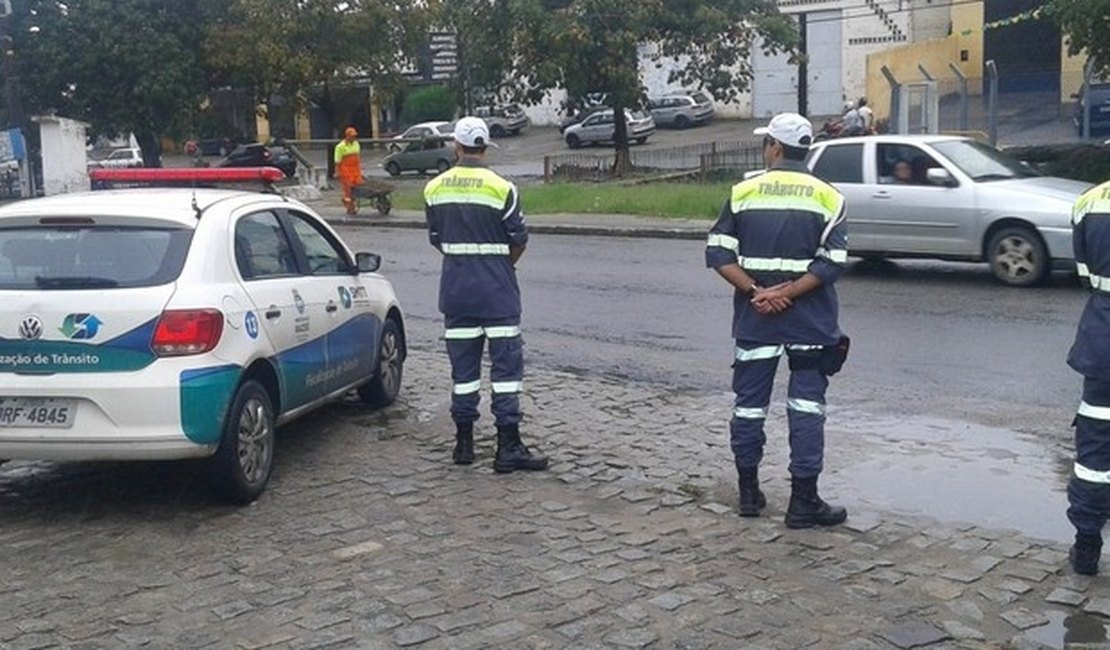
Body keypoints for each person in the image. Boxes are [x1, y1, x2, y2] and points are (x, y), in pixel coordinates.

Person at [705, 112, 850, 528]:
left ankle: (749, 494)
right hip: (811, 323)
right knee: (806, 407)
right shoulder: (829, 197)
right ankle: (803, 502)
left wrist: (757, 293)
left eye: (766, 141)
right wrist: (786, 293)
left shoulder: (743, 192)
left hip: (756, 321)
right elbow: (832, 264)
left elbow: (718, 253)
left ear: (775, 147)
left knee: (749, 407)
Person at [424, 116, 548, 474]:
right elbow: (519, 239)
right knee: (506, 372)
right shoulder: (502, 188)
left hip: (456, 294)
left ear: (456, 147)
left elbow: (437, 240)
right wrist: (500, 265)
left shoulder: (434, 189)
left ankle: (463, 445)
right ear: (485, 147)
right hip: (498, 295)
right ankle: (507, 447)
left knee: (463, 375)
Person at [1065, 179, 1110, 575]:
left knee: (1095, 454)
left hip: (1102, 344)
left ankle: (1087, 547)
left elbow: (1086, 275)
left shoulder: (1089, 202)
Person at [333, 127, 363, 215]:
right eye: (352, 136)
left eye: (354, 136)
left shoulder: (356, 144)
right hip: (345, 170)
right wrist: (337, 172)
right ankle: (350, 207)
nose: (354, 138)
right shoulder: (340, 147)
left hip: (355, 170)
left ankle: (351, 205)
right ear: (347, 136)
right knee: (348, 189)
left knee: (357, 187)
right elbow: (337, 161)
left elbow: (357, 158)